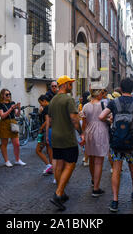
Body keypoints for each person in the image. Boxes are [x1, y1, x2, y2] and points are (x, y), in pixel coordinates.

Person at [99, 78, 133, 213]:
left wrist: (111, 121)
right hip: (132, 142)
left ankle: (115, 200)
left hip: (116, 141)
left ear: (120, 88)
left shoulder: (114, 102)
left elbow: (101, 116)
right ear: (132, 89)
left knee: (116, 169)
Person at [48, 75, 84, 211]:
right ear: (64, 85)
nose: (72, 85)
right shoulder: (68, 99)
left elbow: (50, 121)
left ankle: (61, 192)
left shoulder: (52, 101)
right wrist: (81, 133)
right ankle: (58, 194)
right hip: (67, 137)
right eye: (70, 84)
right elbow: (74, 119)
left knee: (58, 164)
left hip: (56, 137)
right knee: (70, 164)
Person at [80, 89, 109, 197]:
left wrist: (83, 135)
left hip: (89, 131)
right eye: (102, 93)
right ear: (99, 94)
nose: (103, 95)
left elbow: (84, 123)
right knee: (98, 161)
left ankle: (93, 180)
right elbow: (109, 117)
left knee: (91, 158)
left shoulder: (85, 106)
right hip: (100, 130)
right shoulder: (104, 103)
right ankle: (96, 188)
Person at [0, 89, 26, 167]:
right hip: (4, 123)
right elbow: (2, 116)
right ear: (2, 95)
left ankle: (17, 160)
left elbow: (17, 115)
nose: (9, 95)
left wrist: (19, 108)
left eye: (9, 94)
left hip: (13, 122)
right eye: (7, 94)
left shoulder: (12, 103)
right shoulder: (0, 104)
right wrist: (11, 109)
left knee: (17, 143)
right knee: (4, 143)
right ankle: (6, 161)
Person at [36, 95, 53, 175]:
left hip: (45, 132)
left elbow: (47, 121)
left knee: (38, 150)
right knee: (49, 151)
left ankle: (49, 165)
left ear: (44, 101)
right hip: (49, 131)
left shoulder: (46, 108)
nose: (40, 105)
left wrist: (41, 129)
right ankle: (51, 167)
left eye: (41, 103)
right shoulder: (51, 106)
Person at [79, 91, 91, 167]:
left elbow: (79, 114)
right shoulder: (88, 105)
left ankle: (85, 157)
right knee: (87, 142)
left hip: (81, 122)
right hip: (86, 123)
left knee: (84, 141)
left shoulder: (81, 105)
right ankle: (87, 159)